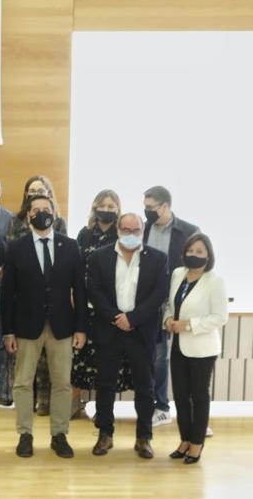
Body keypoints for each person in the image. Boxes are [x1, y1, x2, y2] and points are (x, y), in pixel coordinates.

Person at [0, 194, 86, 459]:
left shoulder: (71, 247)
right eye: (35, 210)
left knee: (62, 383)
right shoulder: (15, 247)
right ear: (28, 216)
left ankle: (59, 435)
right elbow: (7, 293)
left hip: (62, 326)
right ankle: (25, 435)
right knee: (23, 383)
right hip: (26, 326)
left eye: (45, 209)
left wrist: (81, 328)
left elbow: (80, 292)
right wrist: (8, 331)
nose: (40, 213)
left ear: (54, 214)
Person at [88, 212, 169, 459]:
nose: (131, 235)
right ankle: (105, 434)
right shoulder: (99, 256)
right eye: (126, 230)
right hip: (109, 329)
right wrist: (116, 316)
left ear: (142, 232)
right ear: (117, 230)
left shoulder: (158, 258)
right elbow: (94, 290)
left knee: (145, 386)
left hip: (141, 330)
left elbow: (159, 293)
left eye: (136, 231)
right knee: (105, 384)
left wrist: (132, 318)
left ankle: (144, 437)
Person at [163, 233, 227, 464]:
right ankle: (185, 439)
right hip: (178, 346)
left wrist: (189, 325)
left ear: (208, 255)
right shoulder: (178, 274)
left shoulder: (215, 281)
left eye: (200, 251)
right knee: (180, 396)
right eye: (191, 250)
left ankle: (197, 444)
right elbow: (170, 305)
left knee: (198, 396)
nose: (194, 255)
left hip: (202, 349)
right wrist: (168, 320)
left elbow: (220, 317)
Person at [142, 185, 201, 427]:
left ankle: (171, 408)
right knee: (152, 356)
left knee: (168, 357)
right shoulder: (143, 229)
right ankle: (156, 405)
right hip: (145, 302)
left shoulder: (188, 231)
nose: (146, 212)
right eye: (144, 207)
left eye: (150, 208)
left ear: (165, 206)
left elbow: (197, 267)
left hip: (174, 304)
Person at [73, 190, 130, 418]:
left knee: (107, 362)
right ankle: (75, 406)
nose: (106, 209)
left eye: (111, 206)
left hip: (110, 307)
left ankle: (103, 410)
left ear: (118, 210)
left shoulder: (121, 237)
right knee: (81, 357)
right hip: (85, 306)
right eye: (102, 205)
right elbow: (76, 267)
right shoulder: (84, 234)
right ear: (95, 207)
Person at [8, 175, 69, 240]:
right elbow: (13, 246)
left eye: (41, 191)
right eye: (32, 191)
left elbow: (63, 246)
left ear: (49, 194)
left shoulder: (59, 222)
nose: (36, 195)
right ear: (26, 195)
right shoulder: (16, 221)